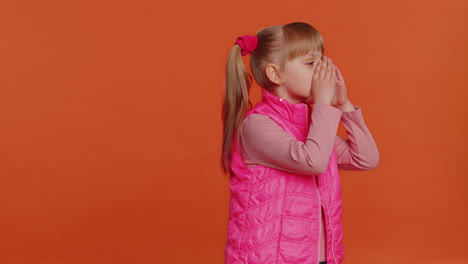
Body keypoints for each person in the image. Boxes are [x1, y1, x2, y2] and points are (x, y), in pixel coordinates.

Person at [221, 22, 380, 264]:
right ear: (276, 74)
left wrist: (343, 103)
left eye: (322, 61)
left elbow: (366, 158)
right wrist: (324, 104)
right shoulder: (257, 126)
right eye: (310, 63)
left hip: (317, 257)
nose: (321, 72)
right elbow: (313, 161)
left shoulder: (309, 127)